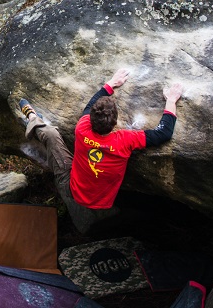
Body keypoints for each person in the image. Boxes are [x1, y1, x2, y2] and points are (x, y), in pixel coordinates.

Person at [19, 68, 182, 233]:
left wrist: (111, 83)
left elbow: (90, 104)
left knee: (51, 135)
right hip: (102, 200)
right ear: (114, 122)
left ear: (90, 118)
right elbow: (163, 133)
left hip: (72, 188)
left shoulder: (82, 128)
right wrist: (171, 100)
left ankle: (33, 118)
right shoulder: (125, 140)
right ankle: (33, 118)